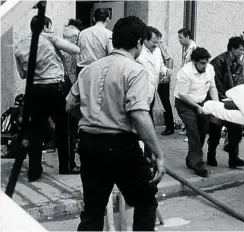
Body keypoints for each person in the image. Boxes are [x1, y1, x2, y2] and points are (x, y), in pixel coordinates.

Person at [66, 16, 165, 231]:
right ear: (139, 42)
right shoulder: (135, 69)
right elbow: (139, 114)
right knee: (145, 202)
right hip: (120, 145)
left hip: (89, 143)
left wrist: (91, 116)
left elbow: (69, 105)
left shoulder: (89, 69)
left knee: (92, 210)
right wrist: (158, 153)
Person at [14, 15, 80, 182]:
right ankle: (66, 166)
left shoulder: (19, 45)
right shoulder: (49, 37)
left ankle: (34, 171)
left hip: (33, 91)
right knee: (64, 127)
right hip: (54, 88)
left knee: (34, 130)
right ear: (46, 26)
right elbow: (75, 49)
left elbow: (22, 75)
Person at [174, 47, 219, 178]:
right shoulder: (185, 72)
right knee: (192, 130)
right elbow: (183, 94)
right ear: (194, 62)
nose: (205, 65)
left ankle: (191, 158)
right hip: (185, 103)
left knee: (202, 129)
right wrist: (196, 107)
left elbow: (212, 87)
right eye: (202, 63)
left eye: (206, 62)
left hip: (200, 102)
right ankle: (197, 163)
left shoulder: (209, 69)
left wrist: (216, 104)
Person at [206, 36, 244, 169]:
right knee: (215, 129)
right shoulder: (218, 62)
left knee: (236, 128)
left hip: (232, 100)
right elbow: (216, 85)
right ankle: (211, 154)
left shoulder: (239, 63)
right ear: (233, 49)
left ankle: (234, 157)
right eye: (241, 49)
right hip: (218, 99)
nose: (243, 52)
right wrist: (223, 101)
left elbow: (240, 83)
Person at [136, 26, 172, 124]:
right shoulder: (138, 52)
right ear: (145, 40)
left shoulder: (157, 51)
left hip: (152, 91)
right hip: (140, 92)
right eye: (154, 42)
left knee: (148, 117)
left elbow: (161, 66)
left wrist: (166, 71)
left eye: (157, 42)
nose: (156, 45)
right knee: (144, 120)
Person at [62, 18, 83, 174]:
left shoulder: (59, 47)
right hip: (71, 86)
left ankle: (68, 160)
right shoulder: (74, 51)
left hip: (61, 86)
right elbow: (73, 73)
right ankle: (70, 162)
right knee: (71, 126)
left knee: (65, 126)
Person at [76, 8, 113, 75]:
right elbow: (111, 54)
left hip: (83, 69)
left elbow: (78, 52)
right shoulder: (109, 34)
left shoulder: (82, 33)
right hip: (100, 70)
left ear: (93, 18)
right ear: (107, 19)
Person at [158, 39, 175, 136]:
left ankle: (170, 127)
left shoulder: (158, 43)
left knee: (165, 103)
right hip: (153, 78)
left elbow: (169, 59)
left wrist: (168, 76)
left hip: (162, 79)